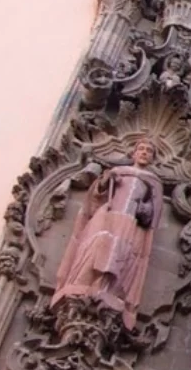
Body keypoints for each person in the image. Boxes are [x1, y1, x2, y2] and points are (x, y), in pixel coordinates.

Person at [52, 139, 164, 329]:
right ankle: (81, 282)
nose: (144, 153)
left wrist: (145, 209)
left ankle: (107, 289)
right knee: (95, 247)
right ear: (133, 153)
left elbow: (152, 213)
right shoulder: (118, 171)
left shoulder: (153, 182)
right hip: (106, 218)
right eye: (141, 149)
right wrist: (105, 181)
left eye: (149, 151)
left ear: (153, 158)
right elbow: (95, 198)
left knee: (119, 254)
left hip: (129, 223)